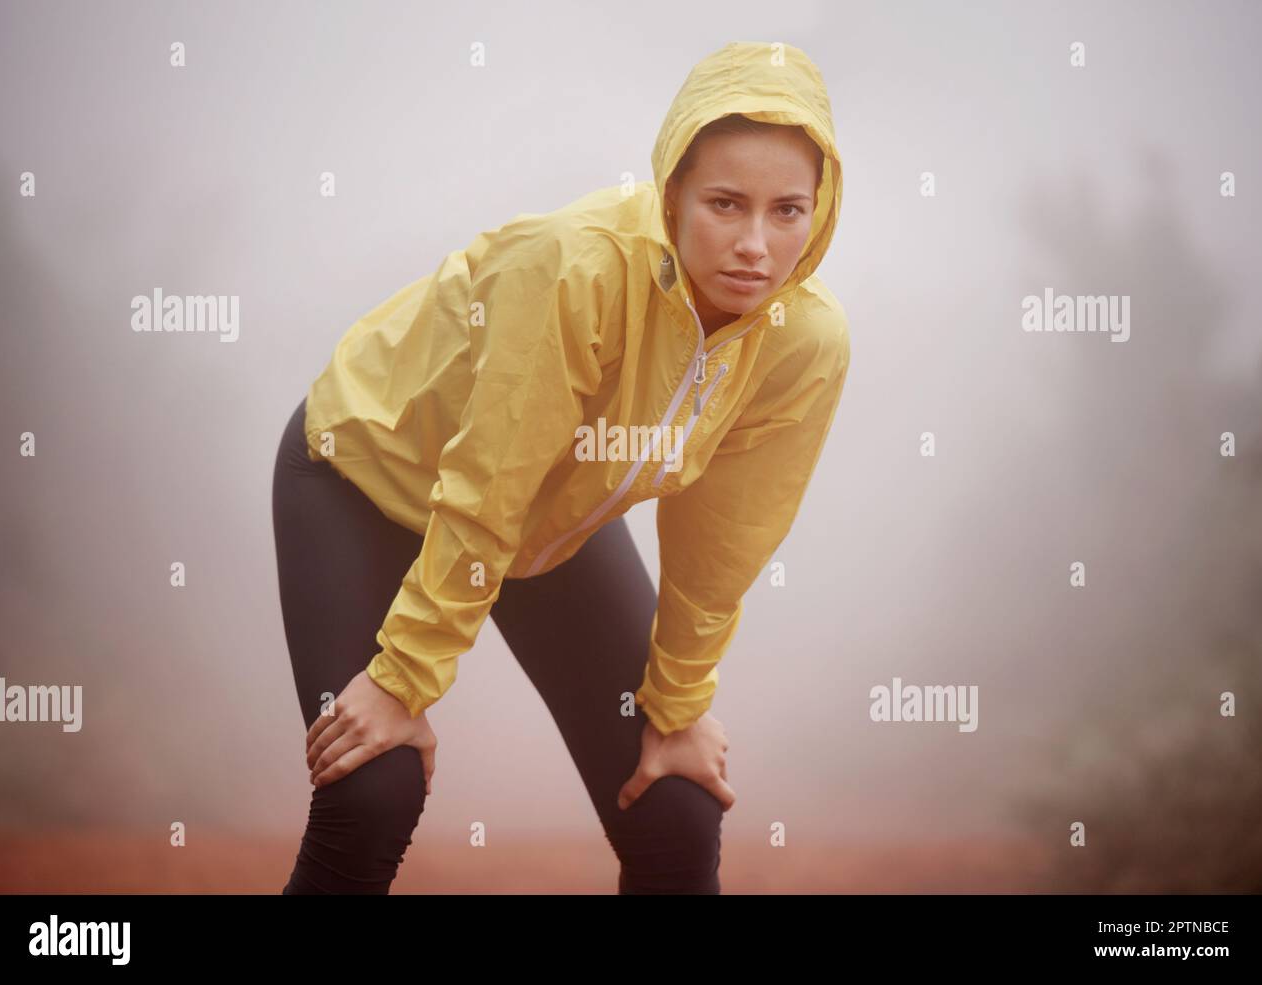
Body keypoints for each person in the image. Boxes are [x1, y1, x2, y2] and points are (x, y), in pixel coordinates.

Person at [272, 40, 850, 894]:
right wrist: (401, 683)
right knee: (373, 788)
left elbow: (723, 536)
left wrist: (678, 706)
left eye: (788, 211)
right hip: (365, 476)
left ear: (821, 210)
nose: (757, 246)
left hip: (545, 515)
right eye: (726, 204)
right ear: (672, 193)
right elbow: (487, 488)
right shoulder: (574, 270)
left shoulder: (801, 340)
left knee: (677, 804)